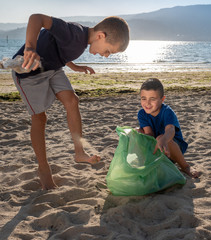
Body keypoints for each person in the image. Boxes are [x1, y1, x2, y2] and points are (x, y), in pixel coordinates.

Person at [12, 14, 130, 190]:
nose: (105, 56)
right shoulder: (73, 32)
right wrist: (30, 47)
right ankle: (43, 168)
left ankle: (79, 152)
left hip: (52, 69)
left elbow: (60, 49)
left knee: (72, 101)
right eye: (108, 51)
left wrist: (75, 67)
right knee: (40, 118)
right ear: (101, 36)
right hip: (28, 72)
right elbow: (36, 18)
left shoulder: (80, 42)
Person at [137, 78, 199, 178]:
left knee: (161, 137)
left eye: (152, 99)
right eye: (143, 98)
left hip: (172, 148)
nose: (147, 103)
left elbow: (170, 130)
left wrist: (164, 140)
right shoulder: (141, 113)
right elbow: (149, 134)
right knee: (138, 131)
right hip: (157, 149)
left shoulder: (167, 112)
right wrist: (139, 134)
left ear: (162, 99)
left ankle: (185, 166)